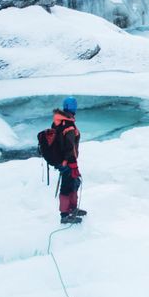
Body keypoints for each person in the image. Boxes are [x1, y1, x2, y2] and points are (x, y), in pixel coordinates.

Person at [52, 96, 86, 224]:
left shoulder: (59, 121)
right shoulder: (69, 125)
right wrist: (73, 165)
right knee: (67, 186)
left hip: (61, 160)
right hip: (67, 162)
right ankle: (65, 215)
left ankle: (72, 209)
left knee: (73, 182)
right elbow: (69, 147)